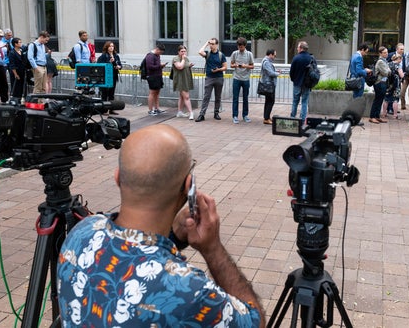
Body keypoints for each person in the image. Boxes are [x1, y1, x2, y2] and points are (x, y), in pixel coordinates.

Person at [56, 124, 265, 327]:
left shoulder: (81, 232)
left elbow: (129, 252)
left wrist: (174, 236)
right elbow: (255, 321)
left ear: (118, 177)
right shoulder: (187, 291)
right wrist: (213, 249)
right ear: (188, 187)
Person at [195, 38, 227, 122]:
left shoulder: (221, 55)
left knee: (218, 96)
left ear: (217, 45)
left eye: (213, 44)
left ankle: (216, 113)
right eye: (210, 44)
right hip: (209, 77)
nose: (211, 46)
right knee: (206, 96)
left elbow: (225, 67)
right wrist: (206, 43)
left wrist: (218, 69)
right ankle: (202, 114)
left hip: (219, 77)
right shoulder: (207, 53)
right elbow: (200, 52)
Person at [229, 37, 254, 124]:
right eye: (239, 47)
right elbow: (231, 65)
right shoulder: (235, 53)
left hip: (246, 79)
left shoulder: (249, 54)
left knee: (245, 98)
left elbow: (252, 66)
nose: (240, 48)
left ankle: (245, 115)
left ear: (245, 46)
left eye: (242, 47)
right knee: (235, 98)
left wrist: (245, 66)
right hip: (236, 78)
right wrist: (235, 65)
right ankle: (235, 116)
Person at [289, 41, 313, 124]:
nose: (297, 48)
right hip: (307, 84)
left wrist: (293, 79)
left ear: (301, 48)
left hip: (297, 83)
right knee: (304, 102)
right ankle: (302, 120)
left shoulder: (296, 58)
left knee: (295, 101)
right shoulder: (311, 58)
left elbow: (292, 72)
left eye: (298, 47)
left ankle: (292, 118)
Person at [96, 41, 122, 113]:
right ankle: (103, 109)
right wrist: (109, 62)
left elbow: (120, 64)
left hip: (113, 76)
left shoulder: (116, 56)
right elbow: (100, 65)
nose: (111, 48)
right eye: (110, 46)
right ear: (107, 47)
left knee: (111, 93)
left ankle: (111, 109)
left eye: (112, 46)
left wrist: (118, 66)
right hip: (105, 77)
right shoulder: (103, 56)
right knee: (104, 94)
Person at [171, 44, 195, 120]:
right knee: (186, 96)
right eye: (182, 51)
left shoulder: (186, 58)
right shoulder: (176, 58)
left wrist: (190, 65)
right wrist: (183, 59)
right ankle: (191, 112)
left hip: (186, 79)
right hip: (180, 80)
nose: (183, 53)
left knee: (182, 96)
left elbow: (185, 66)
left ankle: (180, 112)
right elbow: (180, 67)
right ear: (178, 52)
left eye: (185, 51)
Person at [368, 46, 390, 124]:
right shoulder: (380, 61)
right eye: (384, 52)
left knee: (380, 100)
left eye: (387, 52)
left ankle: (377, 116)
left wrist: (388, 70)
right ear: (380, 53)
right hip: (379, 83)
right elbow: (386, 72)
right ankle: (372, 117)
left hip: (383, 82)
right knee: (377, 100)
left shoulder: (384, 61)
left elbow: (388, 71)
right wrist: (388, 70)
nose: (386, 54)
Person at [145, 43, 167, 115]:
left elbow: (156, 66)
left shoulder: (157, 56)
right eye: (160, 52)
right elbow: (150, 66)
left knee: (157, 93)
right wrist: (159, 66)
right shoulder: (150, 56)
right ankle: (150, 110)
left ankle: (157, 108)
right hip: (152, 76)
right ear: (157, 49)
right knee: (152, 93)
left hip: (158, 76)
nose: (160, 54)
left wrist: (161, 66)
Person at [27, 31, 50, 95]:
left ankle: (41, 103)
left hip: (44, 66)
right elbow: (30, 57)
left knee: (44, 87)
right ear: (42, 37)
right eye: (46, 40)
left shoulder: (42, 45)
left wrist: (47, 54)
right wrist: (35, 67)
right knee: (38, 87)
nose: (46, 42)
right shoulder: (32, 45)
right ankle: (36, 103)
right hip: (38, 66)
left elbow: (41, 55)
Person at [260, 48, 279, 124]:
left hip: (269, 84)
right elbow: (270, 73)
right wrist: (277, 74)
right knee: (270, 101)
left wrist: (275, 71)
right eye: (274, 55)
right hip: (269, 85)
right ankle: (266, 118)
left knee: (268, 101)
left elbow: (270, 71)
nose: (275, 57)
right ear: (270, 54)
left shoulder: (266, 61)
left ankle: (267, 117)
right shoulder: (266, 62)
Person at [382, 53, 403, 119]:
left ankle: (384, 113)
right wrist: (403, 74)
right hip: (396, 84)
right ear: (398, 59)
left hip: (388, 84)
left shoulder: (388, 64)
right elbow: (401, 75)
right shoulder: (398, 66)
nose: (401, 61)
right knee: (395, 99)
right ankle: (395, 115)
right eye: (401, 59)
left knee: (386, 99)